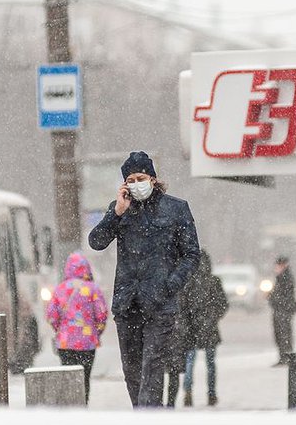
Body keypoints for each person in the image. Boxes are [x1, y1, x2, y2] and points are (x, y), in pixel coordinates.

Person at [88, 151, 200, 408]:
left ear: (152, 178)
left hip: (160, 305)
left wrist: (170, 285)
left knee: (152, 369)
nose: (136, 183)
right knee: (132, 373)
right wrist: (116, 212)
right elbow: (96, 242)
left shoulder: (176, 208)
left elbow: (191, 254)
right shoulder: (119, 210)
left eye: (141, 177)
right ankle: (146, 415)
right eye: (130, 179)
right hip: (127, 304)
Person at [45, 251, 108, 405]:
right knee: (84, 377)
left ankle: (70, 408)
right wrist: (96, 332)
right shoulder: (92, 289)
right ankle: (83, 404)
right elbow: (102, 314)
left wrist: (60, 330)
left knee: (69, 377)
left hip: (65, 343)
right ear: (86, 268)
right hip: (87, 343)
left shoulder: (60, 289)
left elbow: (52, 315)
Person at [180, 250, 228, 407]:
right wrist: (212, 317)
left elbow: (182, 306)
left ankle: (188, 392)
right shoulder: (214, 281)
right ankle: (211, 394)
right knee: (211, 364)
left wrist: (187, 321)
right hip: (209, 328)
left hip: (192, 328)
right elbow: (223, 304)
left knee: (189, 362)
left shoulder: (188, 280)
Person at [268, 256, 296, 366]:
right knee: (280, 334)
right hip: (280, 309)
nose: (276, 268)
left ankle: (286, 357)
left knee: (284, 334)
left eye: (278, 265)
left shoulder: (286, 277)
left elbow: (285, 295)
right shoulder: (281, 277)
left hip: (283, 310)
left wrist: (274, 299)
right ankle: (283, 356)